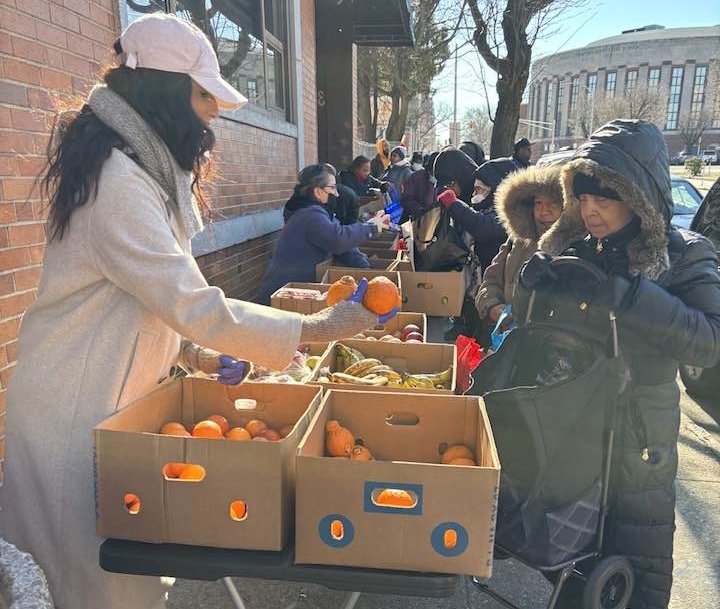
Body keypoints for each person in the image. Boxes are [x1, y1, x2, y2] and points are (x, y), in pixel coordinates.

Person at [0, 14, 396, 609]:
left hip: (111, 402)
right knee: (88, 585)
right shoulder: (119, 182)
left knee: (126, 574)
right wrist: (312, 328)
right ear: (166, 93)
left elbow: (144, 303)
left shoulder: (139, 170)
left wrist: (193, 354)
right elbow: (187, 300)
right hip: (73, 415)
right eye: (204, 95)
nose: (213, 113)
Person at [518, 119, 720, 609]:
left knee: (634, 569)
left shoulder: (683, 254)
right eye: (583, 198)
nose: (590, 211)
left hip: (638, 436)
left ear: (638, 197)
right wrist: (537, 287)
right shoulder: (578, 247)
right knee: (571, 560)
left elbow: (709, 340)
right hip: (576, 424)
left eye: (604, 200)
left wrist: (634, 298)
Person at [256, 164, 389, 303]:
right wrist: (372, 228)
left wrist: (368, 270)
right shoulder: (310, 215)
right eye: (332, 188)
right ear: (318, 192)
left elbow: (345, 248)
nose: (337, 194)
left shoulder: (321, 214)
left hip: (295, 293)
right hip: (281, 297)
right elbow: (337, 240)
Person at [474, 164, 563, 330]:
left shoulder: (575, 247)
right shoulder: (518, 240)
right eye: (538, 203)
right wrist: (492, 307)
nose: (544, 211)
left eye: (553, 203)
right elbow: (491, 281)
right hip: (508, 336)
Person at [324, 163, 373, 269]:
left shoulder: (323, 208)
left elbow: (342, 236)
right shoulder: (314, 214)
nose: (335, 193)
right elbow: (339, 238)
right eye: (332, 187)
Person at [399, 151, 438, 222]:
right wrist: (420, 210)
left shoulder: (444, 182)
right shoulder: (416, 177)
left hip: (433, 221)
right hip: (414, 220)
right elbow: (406, 199)